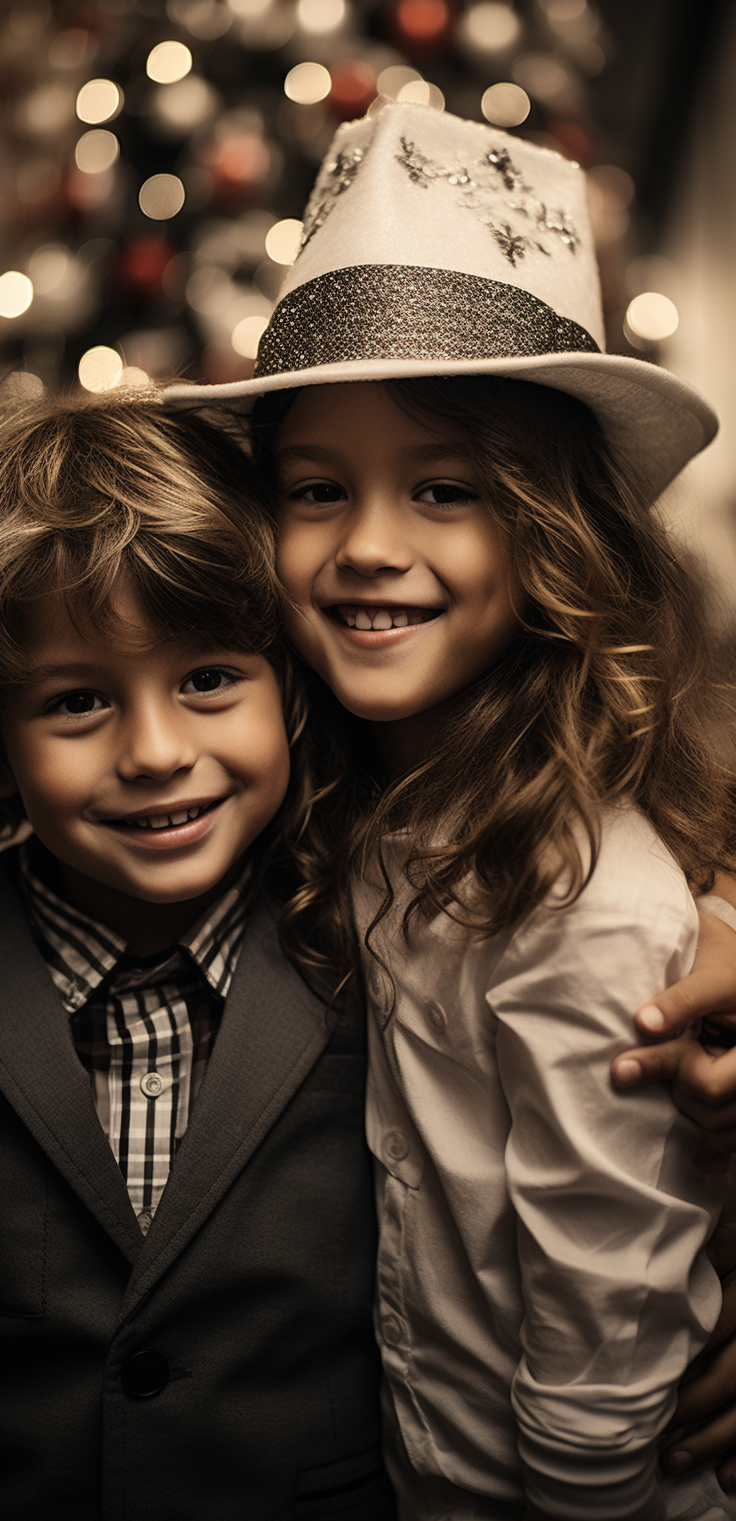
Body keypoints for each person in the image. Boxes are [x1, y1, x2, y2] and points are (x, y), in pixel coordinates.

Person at [170, 100, 736, 1518]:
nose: (368, 546)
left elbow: (606, 1324)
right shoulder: (353, 787)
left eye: (444, 488)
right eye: (315, 490)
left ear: (553, 532)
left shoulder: (580, 897)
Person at [0, 388, 395, 1520]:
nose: (158, 752)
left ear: (288, 686)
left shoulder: (382, 943)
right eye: (77, 700)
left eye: (210, 679)